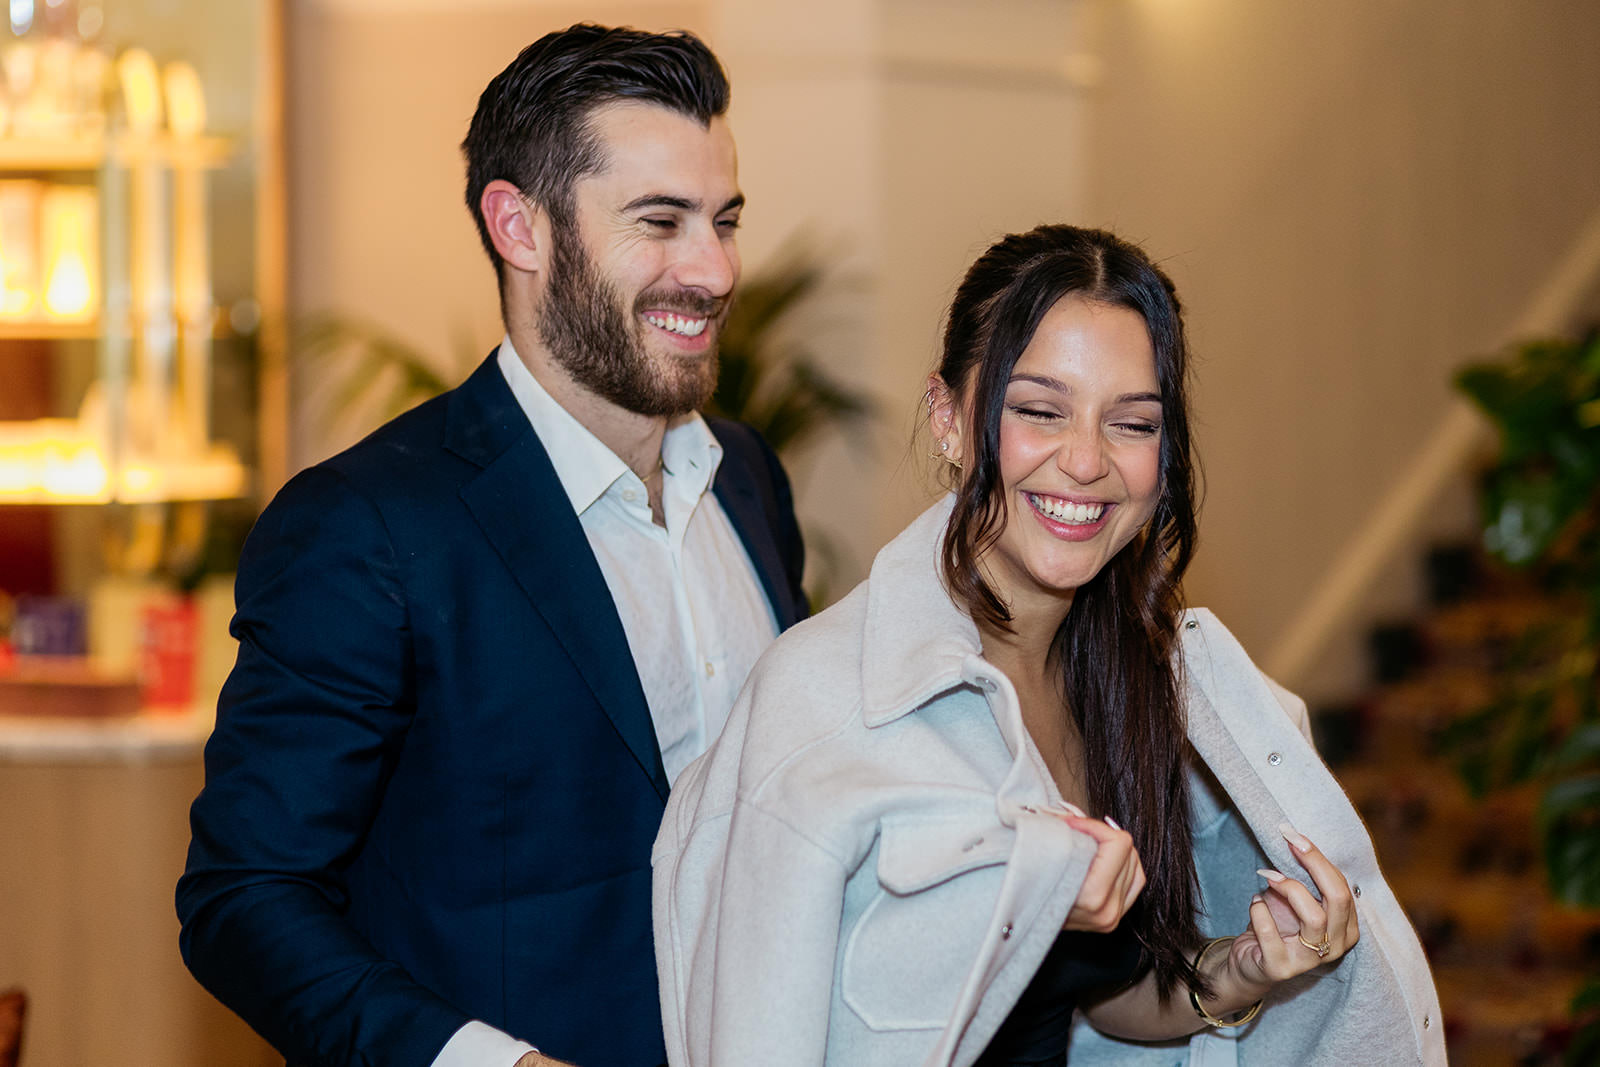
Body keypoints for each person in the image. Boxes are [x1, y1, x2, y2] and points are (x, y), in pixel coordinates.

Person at [653, 224, 1445, 1065]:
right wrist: (1014, 910)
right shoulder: (818, 705)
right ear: (950, 420)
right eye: (1040, 411)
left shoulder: (1140, 685)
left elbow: (1106, 997)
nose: (1086, 461)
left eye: (1132, 424)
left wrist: (1242, 968)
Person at [177, 25, 806, 1067]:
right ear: (519, 225)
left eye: (724, 219)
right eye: (661, 221)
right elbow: (246, 896)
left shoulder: (748, 480)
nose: (714, 268)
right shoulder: (366, 526)